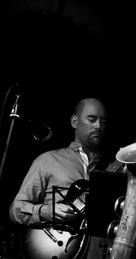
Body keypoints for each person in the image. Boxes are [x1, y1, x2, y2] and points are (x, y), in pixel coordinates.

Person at [9, 97, 110, 259]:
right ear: (75, 122)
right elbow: (15, 209)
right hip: (55, 248)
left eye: (103, 122)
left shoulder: (111, 166)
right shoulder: (47, 160)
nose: (98, 126)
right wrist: (45, 211)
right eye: (92, 119)